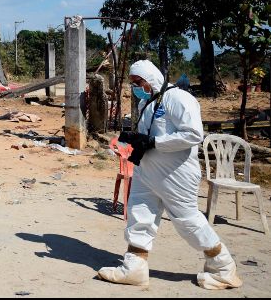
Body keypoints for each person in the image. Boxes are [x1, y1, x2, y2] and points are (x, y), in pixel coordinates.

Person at [97, 59, 242, 290]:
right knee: (139, 214)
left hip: (176, 175)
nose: (136, 87)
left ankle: (223, 267)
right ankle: (134, 267)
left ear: (151, 78)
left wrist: (153, 142)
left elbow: (193, 135)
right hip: (147, 172)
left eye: (138, 82)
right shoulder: (150, 103)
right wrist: (137, 140)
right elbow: (150, 136)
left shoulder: (179, 99)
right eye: (133, 83)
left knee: (187, 222)